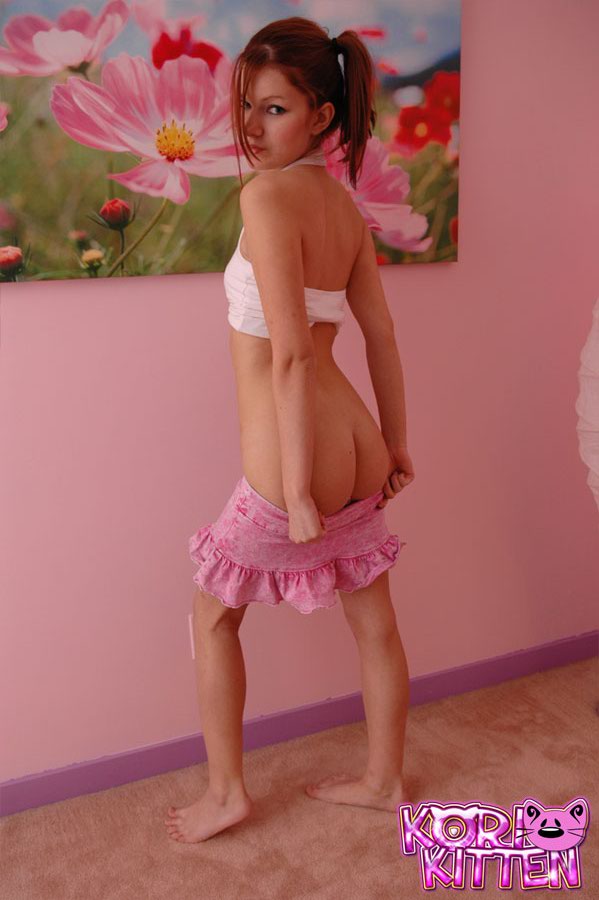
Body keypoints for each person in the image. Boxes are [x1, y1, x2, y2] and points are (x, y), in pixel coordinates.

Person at [165, 16, 415, 844]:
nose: (250, 125)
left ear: (319, 114)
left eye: (272, 109)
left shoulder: (266, 197)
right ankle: (384, 780)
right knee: (372, 620)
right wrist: (396, 444)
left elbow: (292, 357)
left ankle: (227, 793)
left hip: (295, 455)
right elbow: (379, 336)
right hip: (359, 446)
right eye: (245, 104)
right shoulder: (340, 205)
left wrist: (300, 492)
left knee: (212, 616)